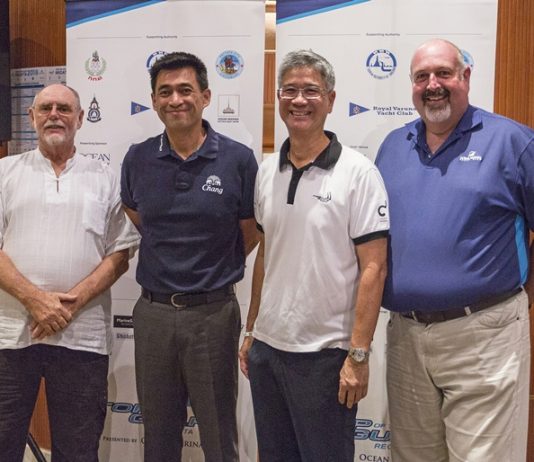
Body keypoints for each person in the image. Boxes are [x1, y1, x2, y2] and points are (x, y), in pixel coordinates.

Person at [375, 38, 534, 462]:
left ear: (466, 76)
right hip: (406, 336)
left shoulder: (513, 142)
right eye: (422, 76)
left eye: (444, 73)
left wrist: (520, 298)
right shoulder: (392, 146)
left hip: (484, 334)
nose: (433, 85)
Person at [239, 49, 390, 462]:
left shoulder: (358, 173)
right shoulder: (267, 170)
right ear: (278, 98)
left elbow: (374, 267)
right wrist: (251, 330)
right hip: (268, 349)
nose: (299, 100)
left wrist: (358, 355)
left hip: (326, 357)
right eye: (290, 90)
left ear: (331, 100)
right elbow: (266, 254)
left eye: (311, 90)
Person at [120, 51, 259, 462]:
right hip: (154, 315)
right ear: (154, 101)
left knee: (218, 436)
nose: (175, 100)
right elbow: (138, 216)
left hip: (213, 315)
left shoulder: (237, 159)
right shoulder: (138, 158)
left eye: (185, 90)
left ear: (206, 96)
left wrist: (209, 265)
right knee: (159, 438)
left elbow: (249, 232)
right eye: (165, 92)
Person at [0, 83, 140, 461]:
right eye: (45, 108)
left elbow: (120, 253)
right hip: (11, 336)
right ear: (31, 117)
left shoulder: (107, 178)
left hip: (82, 337)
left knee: (78, 451)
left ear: (80, 118)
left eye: (64, 108)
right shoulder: (4, 173)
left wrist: (68, 306)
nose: (54, 115)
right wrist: (35, 300)